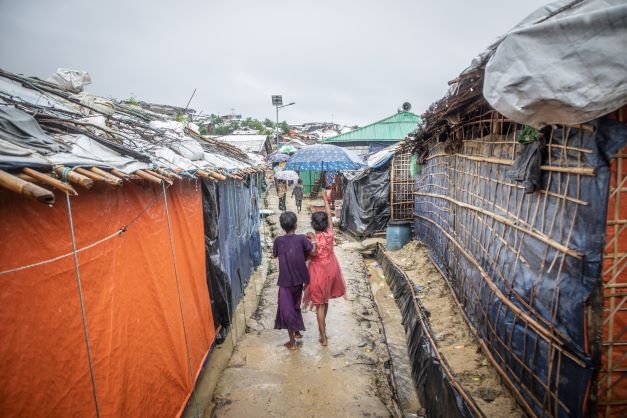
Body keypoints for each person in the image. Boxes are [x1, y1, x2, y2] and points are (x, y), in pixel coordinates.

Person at [303, 191, 346, 346]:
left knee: (319, 304)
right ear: (325, 224)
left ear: (313, 225)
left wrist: (313, 241)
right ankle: (324, 327)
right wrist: (325, 201)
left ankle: (323, 336)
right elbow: (329, 216)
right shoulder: (330, 233)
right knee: (325, 300)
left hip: (317, 272)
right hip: (331, 268)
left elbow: (309, 255)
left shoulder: (311, 239)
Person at [273, 211, 316, 350]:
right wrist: (313, 239)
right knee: (295, 306)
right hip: (299, 281)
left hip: (285, 282)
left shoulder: (279, 241)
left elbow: (274, 255)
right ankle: (297, 332)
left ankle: (292, 343)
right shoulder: (302, 239)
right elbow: (313, 252)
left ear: (282, 226)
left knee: (287, 310)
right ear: (296, 225)